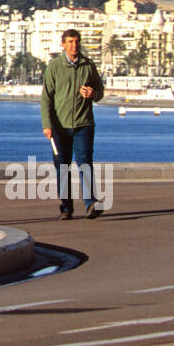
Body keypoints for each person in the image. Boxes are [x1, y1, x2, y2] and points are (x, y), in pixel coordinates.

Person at [40, 28, 105, 219]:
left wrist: (93, 94)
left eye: (76, 41)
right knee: (62, 166)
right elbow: (46, 98)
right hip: (59, 127)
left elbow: (100, 91)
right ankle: (66, 208)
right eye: (70, 42)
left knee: (85, 163)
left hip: (83, 125)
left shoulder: (88, 65)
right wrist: (47, 124)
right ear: (63, 44)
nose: (74, 45)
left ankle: (90, 203)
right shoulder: (54, 66)